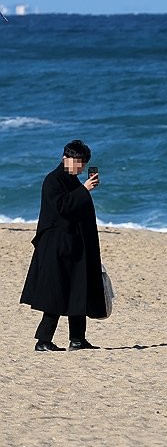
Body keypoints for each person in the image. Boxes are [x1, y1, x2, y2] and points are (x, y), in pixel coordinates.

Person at [20, 140, 106, 351]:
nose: (80, 167)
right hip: (56, 246)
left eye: (83, 163)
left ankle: (77, 339)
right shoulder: (53, 180)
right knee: (56, 293)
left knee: (78, 291)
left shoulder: (72, 181)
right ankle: (43, 341)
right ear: (65, 159)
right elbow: (62, 208)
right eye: (77, 162)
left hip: (74, 246)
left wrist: (83, 190)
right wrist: (84, 190)